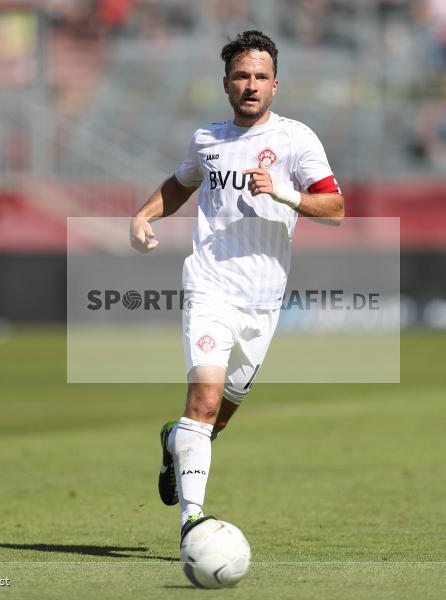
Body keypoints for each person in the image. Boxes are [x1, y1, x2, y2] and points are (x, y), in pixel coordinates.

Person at [129, 30, 344, 540]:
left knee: (217, 419)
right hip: (210, 287)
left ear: (275, 85)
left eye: (261, 77)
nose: (251, 85)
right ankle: (193, 521)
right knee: (202, 403)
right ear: (226, 83)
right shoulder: (207, 140)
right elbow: (181, 183)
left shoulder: (296, 140)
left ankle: (174, 441)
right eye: (242, 76)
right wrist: (143, 215)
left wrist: (286, 194)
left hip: (263, 301)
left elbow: (335, 208)